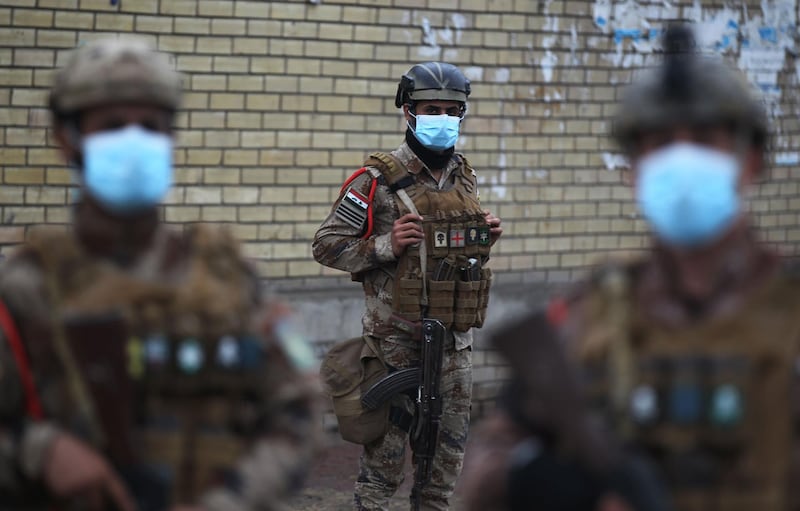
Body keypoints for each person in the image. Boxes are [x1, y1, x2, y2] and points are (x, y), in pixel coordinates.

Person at [462, 24, 800, 511]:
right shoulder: (591, 313)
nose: (681, 159)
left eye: (705, 139)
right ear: (634, 172)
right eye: (659, 143)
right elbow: (490, 466)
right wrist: (551, 486)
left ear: (751, 161)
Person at [0, 38, 318, 511]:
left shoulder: (231, 278)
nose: (134, 141)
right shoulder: (27, 288)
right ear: (67, 138)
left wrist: (228, 502)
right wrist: (38, 451)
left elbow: (299, 411)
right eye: (111, 126)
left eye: (150, 126)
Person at [313, 61, 502, 511]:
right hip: (395, 347)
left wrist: (483, 240)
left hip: (454, 347)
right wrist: (384, 245)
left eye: (452, 110)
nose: (443, 118)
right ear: (409, 113)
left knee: (441, 477)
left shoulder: (464, 176)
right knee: (382, 474)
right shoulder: (376, 180)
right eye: (431, 108)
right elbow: (325, 245)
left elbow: (456, 259)